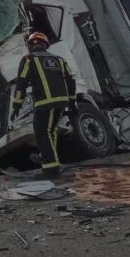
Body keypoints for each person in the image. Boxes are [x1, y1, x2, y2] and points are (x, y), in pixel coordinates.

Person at [10, 32, 77, 178]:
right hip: (61, 101)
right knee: (50, 131)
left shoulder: (28, 59)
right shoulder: (59, 60)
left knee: (42, 133)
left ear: (30, 45)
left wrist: (16, 105)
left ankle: (50, 169)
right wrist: (72, 101)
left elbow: (21, 83)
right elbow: (71, 80)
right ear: (45, 44)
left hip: (44, 103)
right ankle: (52, 164)